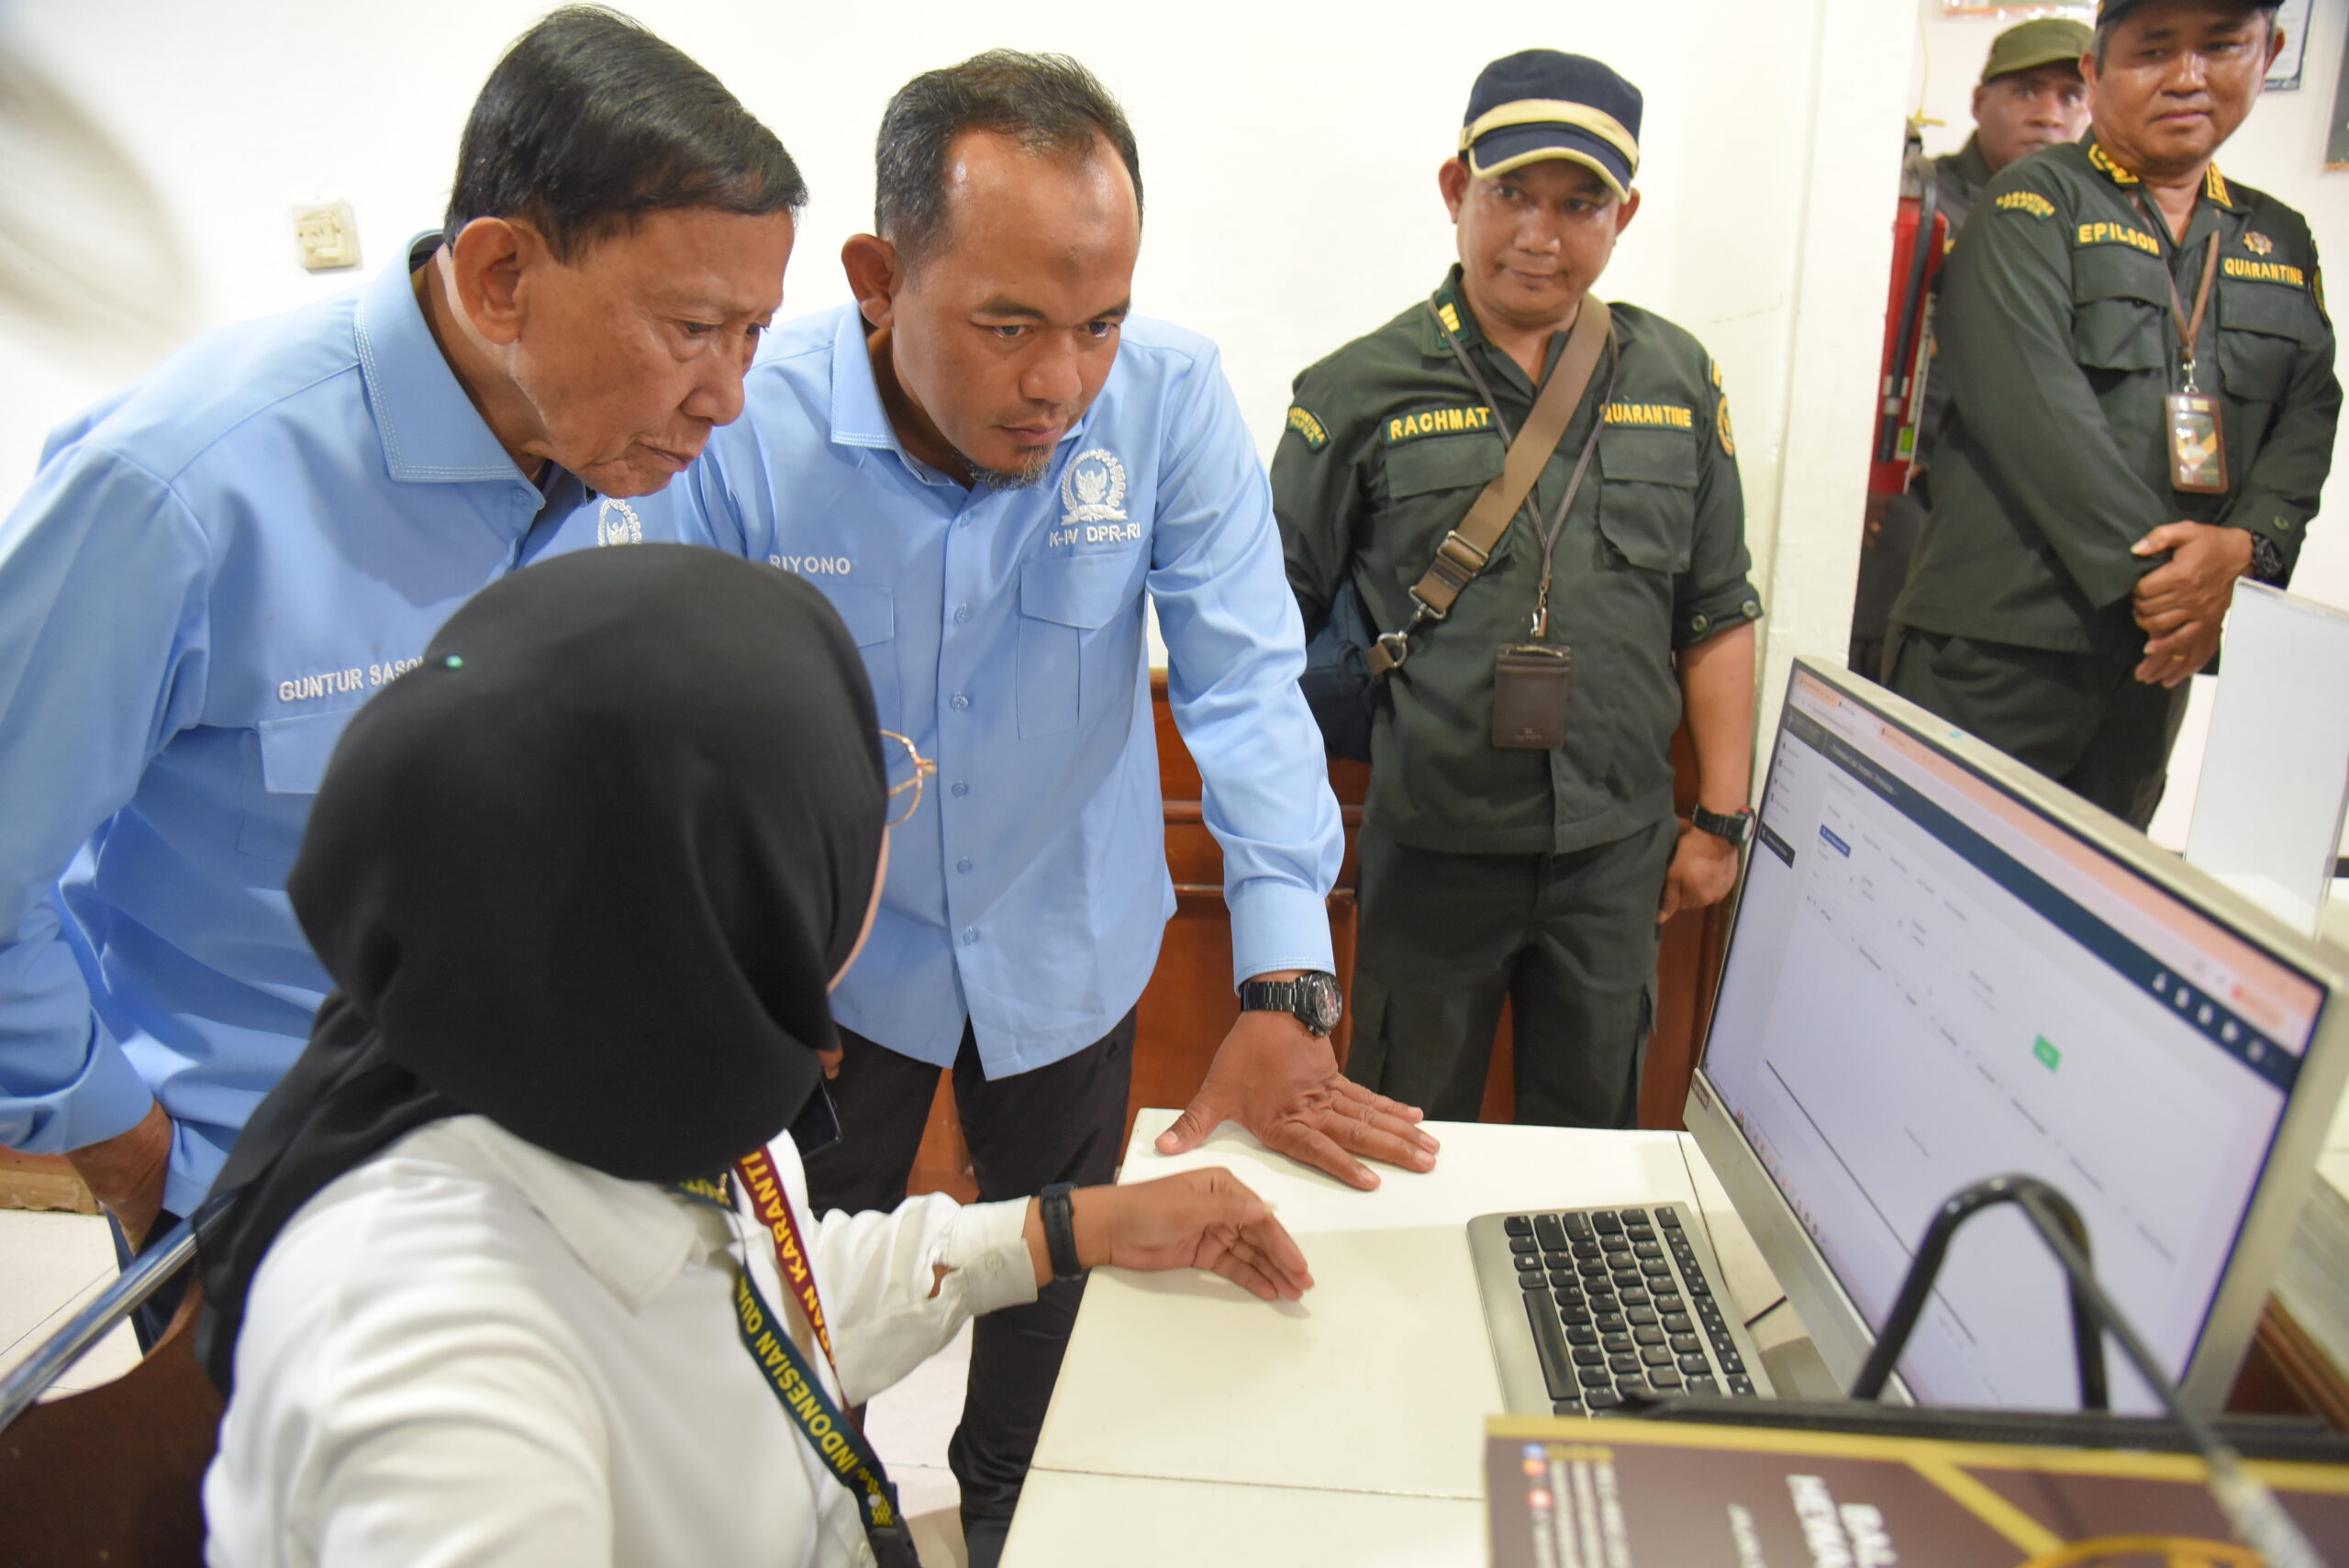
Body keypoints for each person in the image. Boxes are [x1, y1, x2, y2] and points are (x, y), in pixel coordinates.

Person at [650, 51, 1431, 1561]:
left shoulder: (1171, 399)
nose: (1061, 380)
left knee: (1059, 1279)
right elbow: (659, 721)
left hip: (1067, 939)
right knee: (800, 1293)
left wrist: (1283, 968)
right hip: (827, 973)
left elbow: (1250, 679)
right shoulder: (747, 425)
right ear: (879, 278)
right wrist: (721, 957)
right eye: (1009, 323)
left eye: (1099, 322)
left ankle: (1020, 1508)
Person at [195, 545, 1312, 1568]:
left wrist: (1072, 1225)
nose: (885, 820)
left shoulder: (594, 1059)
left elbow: (762, 1290)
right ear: (736, 883)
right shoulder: (431, 1364)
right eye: (865, 786)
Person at [0, 8, 798, 1343]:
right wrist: (137, 1156)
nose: (728, 396)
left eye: (756, 334)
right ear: (499, 278)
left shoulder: (637, 457)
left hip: (567, 1177)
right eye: (691, 327)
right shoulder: (183, 494)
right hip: (275, 1205)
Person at [1274, 51, 1762, 1129]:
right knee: (1406, 1135)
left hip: (1615, 854)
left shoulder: (1677, 378)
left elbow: (1718, 606)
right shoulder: (1357, 389)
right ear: (1457, 190)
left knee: (1589, 1154)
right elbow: (1266, 629)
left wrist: (1720, 815)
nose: (1541, 233)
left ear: (1621, 215)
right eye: (1512, 195)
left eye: (1578, 203)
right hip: (1434, 849)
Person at [1886, 0, 2338, 829]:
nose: (2188, 77)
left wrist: (2245, 549)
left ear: (2269, 53)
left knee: (2099, 906)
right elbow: (2036, 412)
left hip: (2156, 659)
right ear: (2098, 70)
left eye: (2222, 47)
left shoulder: (2278, 236)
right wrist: (2174, 588)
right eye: (2154, 50)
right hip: (2007, 641)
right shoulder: (2031, 204)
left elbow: (2309, 407)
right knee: (1941, 903)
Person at [1851, 17, 2094, 679]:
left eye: (2070, 96)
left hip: (2025, 531)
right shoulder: (1912, 198)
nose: (2049, 114)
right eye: (2027, 91)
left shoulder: (2092, 227)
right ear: (1980, 100)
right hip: (1906, 503)